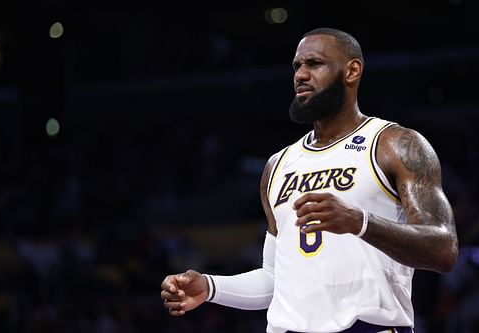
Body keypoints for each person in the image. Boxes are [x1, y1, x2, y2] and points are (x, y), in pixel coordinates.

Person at [160, 27, 459, 333]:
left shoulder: (394, 144)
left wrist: (360, 222)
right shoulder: (278, 164)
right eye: (297, 66)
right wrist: (211, 287)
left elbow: (443, 248)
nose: (300, 75)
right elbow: (274, 279)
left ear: (352, 70)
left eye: (314, 64)